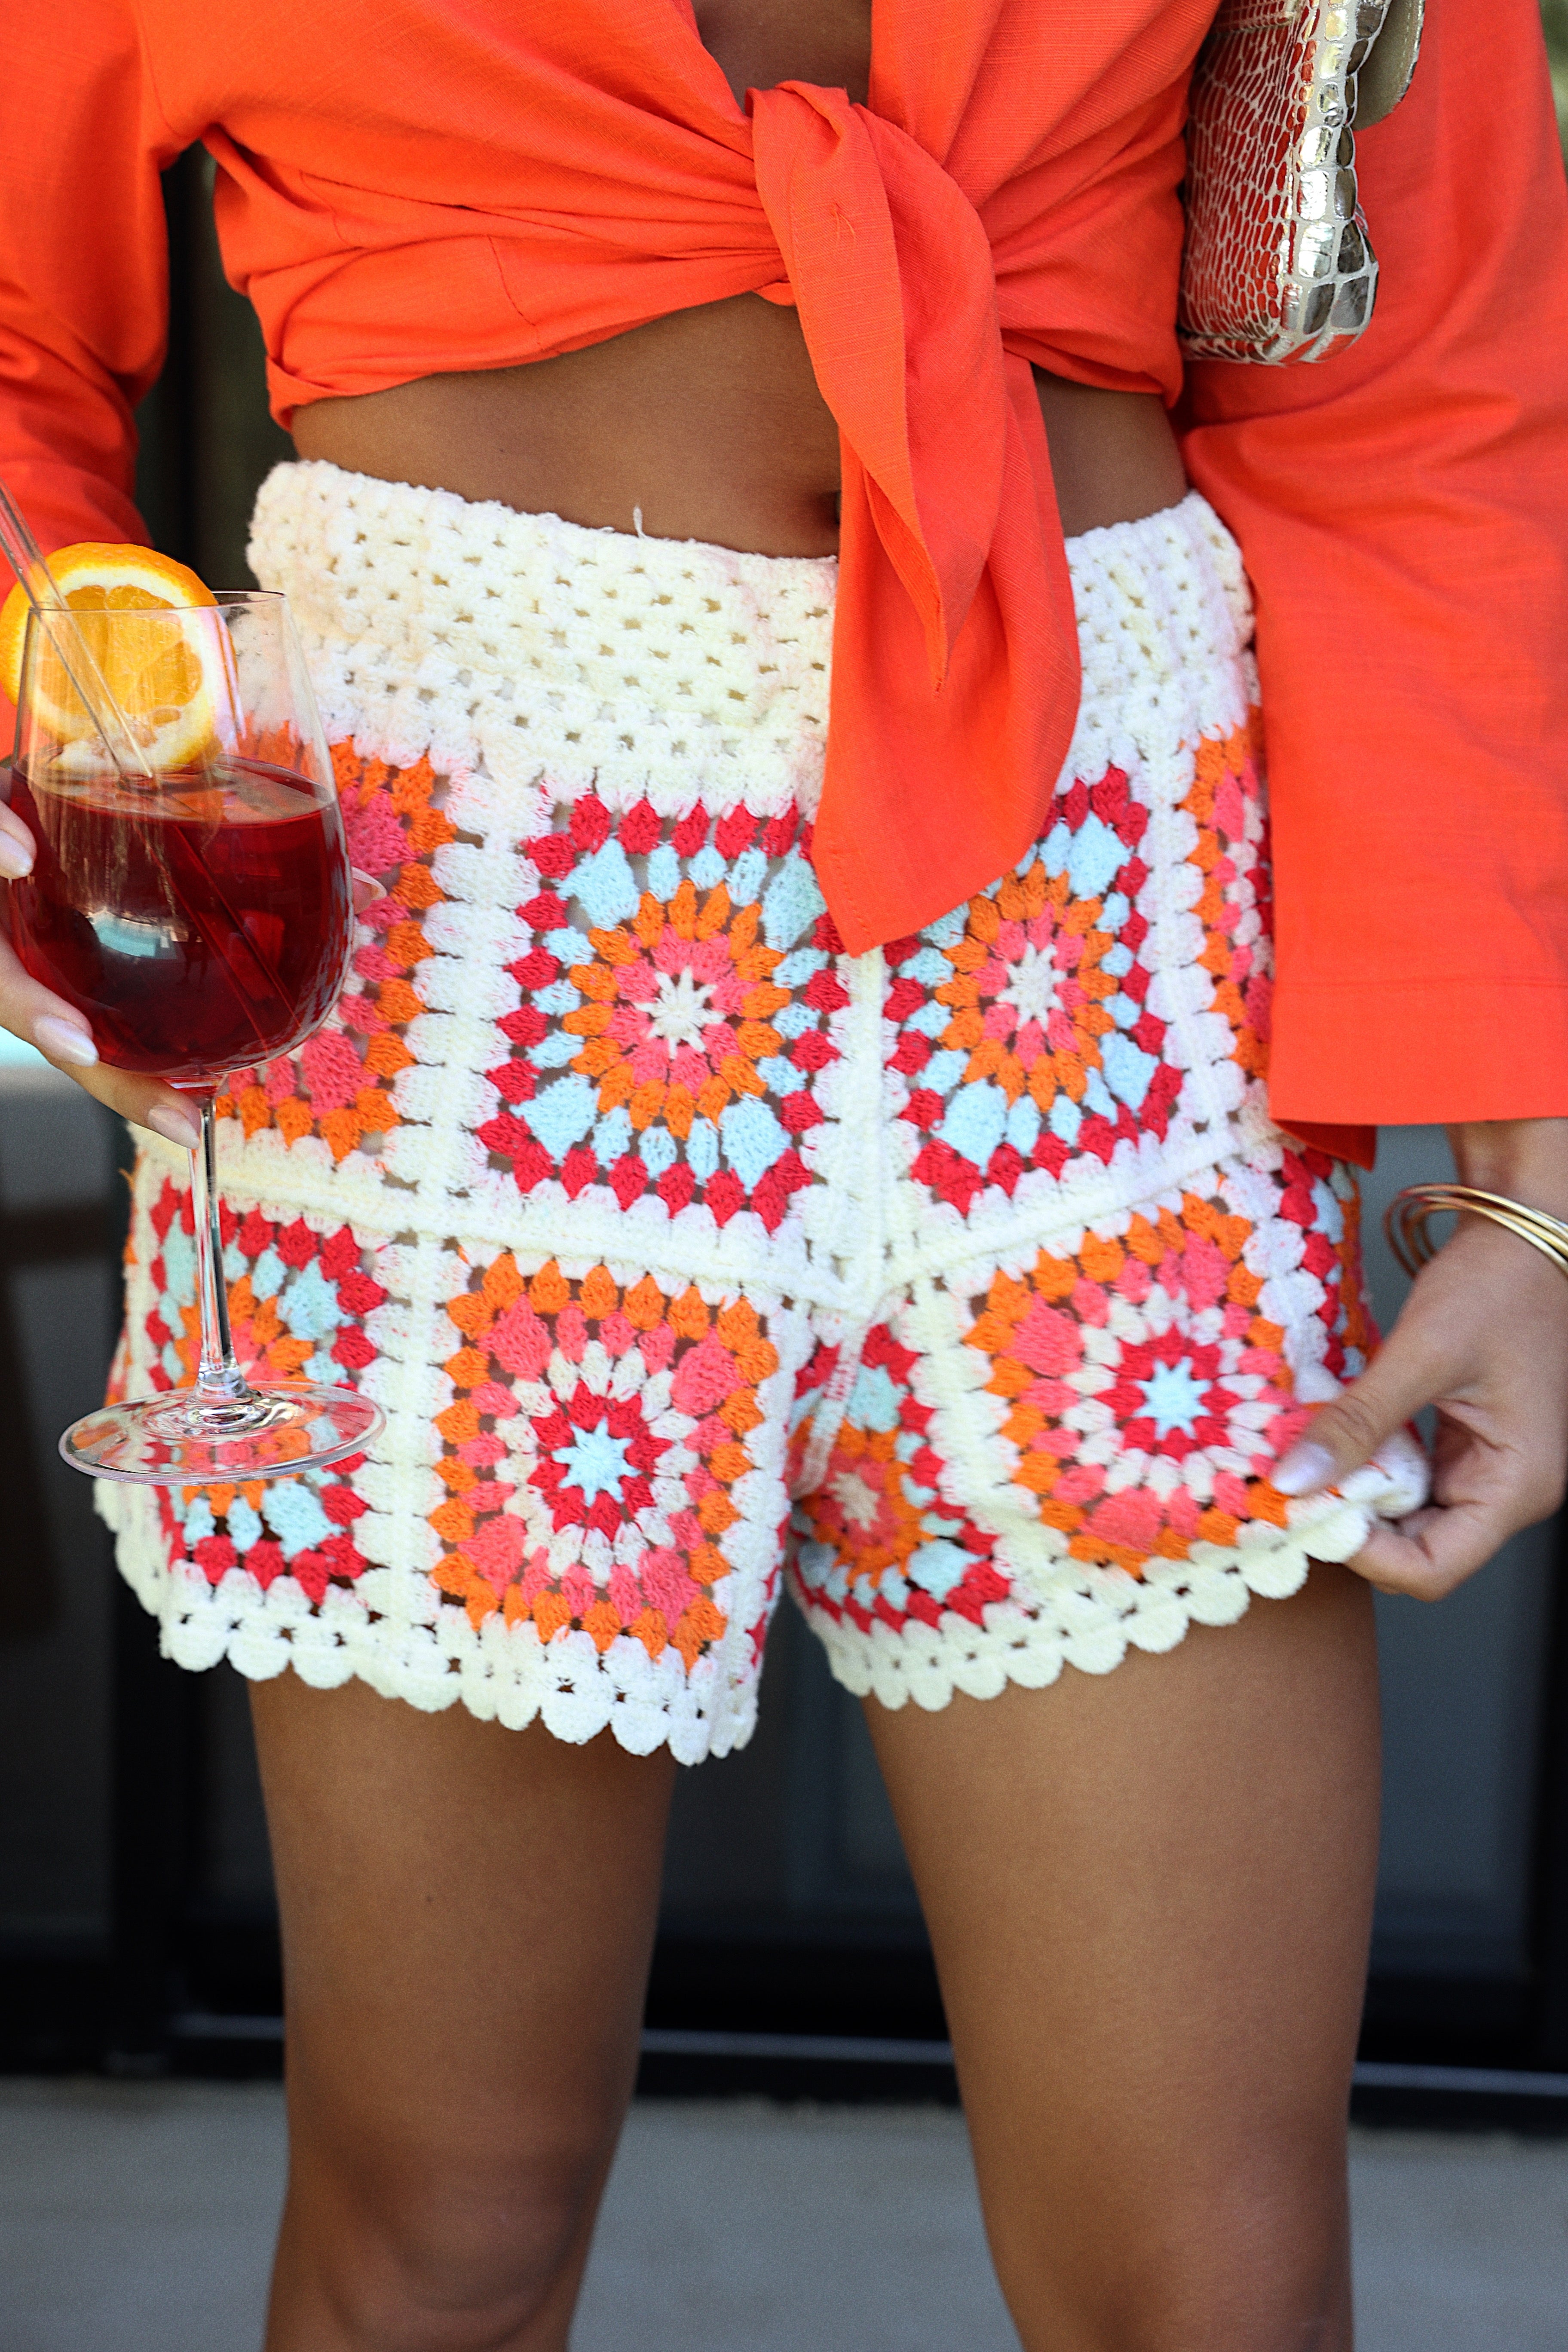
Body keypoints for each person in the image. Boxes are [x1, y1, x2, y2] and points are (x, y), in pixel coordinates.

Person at [3, 0, 1567, 2343]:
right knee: (443, 2242)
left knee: (1219, 2288)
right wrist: (53, 753)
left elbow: (1409, 380)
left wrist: (1528, 1182)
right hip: (450, 953)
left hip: (1112, 959)